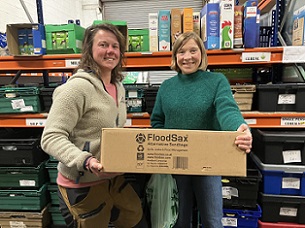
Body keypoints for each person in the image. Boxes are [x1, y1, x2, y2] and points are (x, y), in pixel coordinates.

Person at [41, 23, 147, 228]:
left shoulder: (118, 86)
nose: (110, 51)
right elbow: (51, 137)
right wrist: (86, 160)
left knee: (135, 218)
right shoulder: (77, 88)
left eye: (115, 46)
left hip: (113, 178)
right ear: (90, 50)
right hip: (81, 183)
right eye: (103, 45)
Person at [150, 31, 253, 228]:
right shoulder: (166, 87)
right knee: (178, 220)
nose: (187, 57)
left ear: (202, 54)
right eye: (181, 52)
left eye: (193, 50)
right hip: (176, 163)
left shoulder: (216, 81)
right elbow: (157, 121)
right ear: (175, 57)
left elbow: (226, 108)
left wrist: (239, 127)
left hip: (208, 161)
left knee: (212, 220)